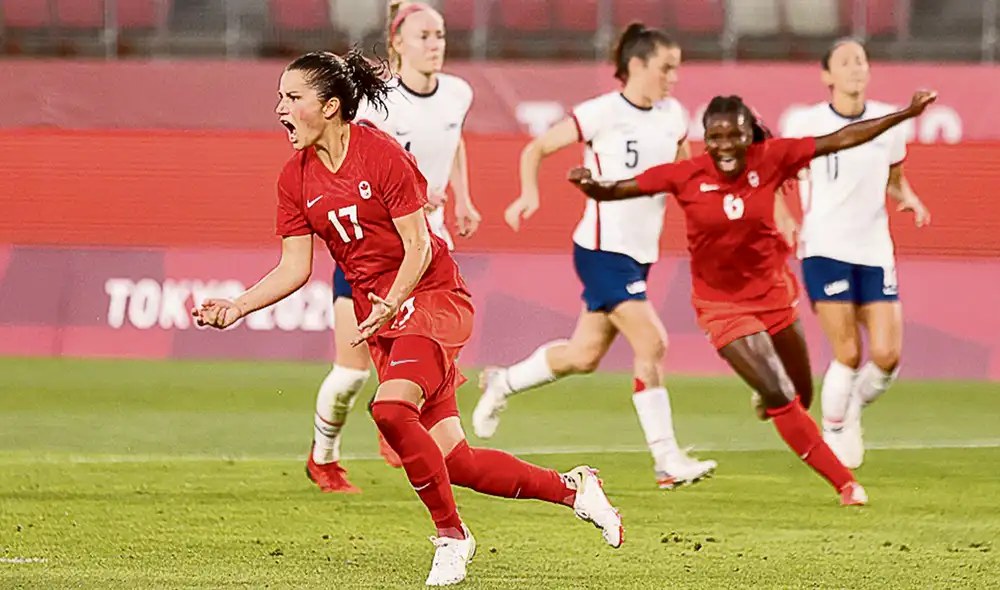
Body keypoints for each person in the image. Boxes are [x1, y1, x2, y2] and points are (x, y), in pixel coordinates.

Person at [192, 50, 623, 587]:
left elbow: (418, 246)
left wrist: (392, 300)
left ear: (329, 106)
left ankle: (453, 537)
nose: (280, 108)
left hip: (432, 298)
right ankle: (573, 488)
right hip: (387, 316)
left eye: (292, 97)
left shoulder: (381, 154)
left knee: (391, 408)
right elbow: (294, 267)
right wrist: (237, 305)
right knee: (456, 461)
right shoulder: (293, 179)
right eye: (281, 97)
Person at [566, 89, 937, 505]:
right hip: (721, 307)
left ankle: (771, 395)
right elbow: (618, 189)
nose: (725, 146)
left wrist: (905, 113)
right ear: (704, 139)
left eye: (734, 135)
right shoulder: (684, 174)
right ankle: (846, 484)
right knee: (781, 394)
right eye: (715, 137)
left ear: (749, 136)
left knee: (800, 395)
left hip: (773, 296)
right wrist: (591, 186)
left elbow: (844, 137)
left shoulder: (772, 158)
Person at [472, 22, 716, 490]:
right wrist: (528, 195)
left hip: (640, 255)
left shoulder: (673, 115)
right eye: (667, 67)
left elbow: (685, 175)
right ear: (638, 65)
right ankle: (667, 461)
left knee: (583, 355)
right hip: (603, 251)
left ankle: (503, 381)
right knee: (653, 343)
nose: (673, 77)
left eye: (677, 69)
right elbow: (539, 147)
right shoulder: (602, 112)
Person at [308, 0, 483, 492]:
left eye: (441, 35)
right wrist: (405, 189)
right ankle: (323, 457)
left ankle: (400, 424)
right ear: (397, 43)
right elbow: (347, 161)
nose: (435, 45)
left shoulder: (458, 93)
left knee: (431, 352)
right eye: (425, 36)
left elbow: (455, 139)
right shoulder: (375, 102)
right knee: (349, 373)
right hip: (368, 253)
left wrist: (463, 198)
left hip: (425, 249)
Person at [781, 38, 930, 469]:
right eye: (845, 62)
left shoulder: (890, 122)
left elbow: (895, 177)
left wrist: (909, 198)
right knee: (847, 353)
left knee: (886, 356)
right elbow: (775, 175)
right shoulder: (805, 122)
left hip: (874, 249)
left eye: (861, 60)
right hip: (825, 247)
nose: (856, 68)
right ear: (827, 75)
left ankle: (850, 408)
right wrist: (786, 218)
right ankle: (834, 427)